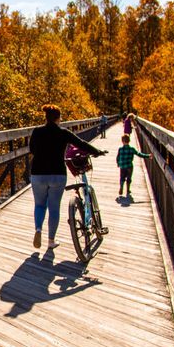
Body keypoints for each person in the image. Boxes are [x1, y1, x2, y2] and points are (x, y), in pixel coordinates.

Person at [29, 104, 106, 250]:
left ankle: (38, 230)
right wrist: (97, 151)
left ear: (46, 117)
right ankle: (51, 241)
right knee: (54, 208)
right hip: (57, 173)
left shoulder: (37, 132)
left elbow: (32, 150)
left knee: (39, 205)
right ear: (59, 118)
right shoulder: (63, 132)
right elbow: (81, 143)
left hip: (38, 173)